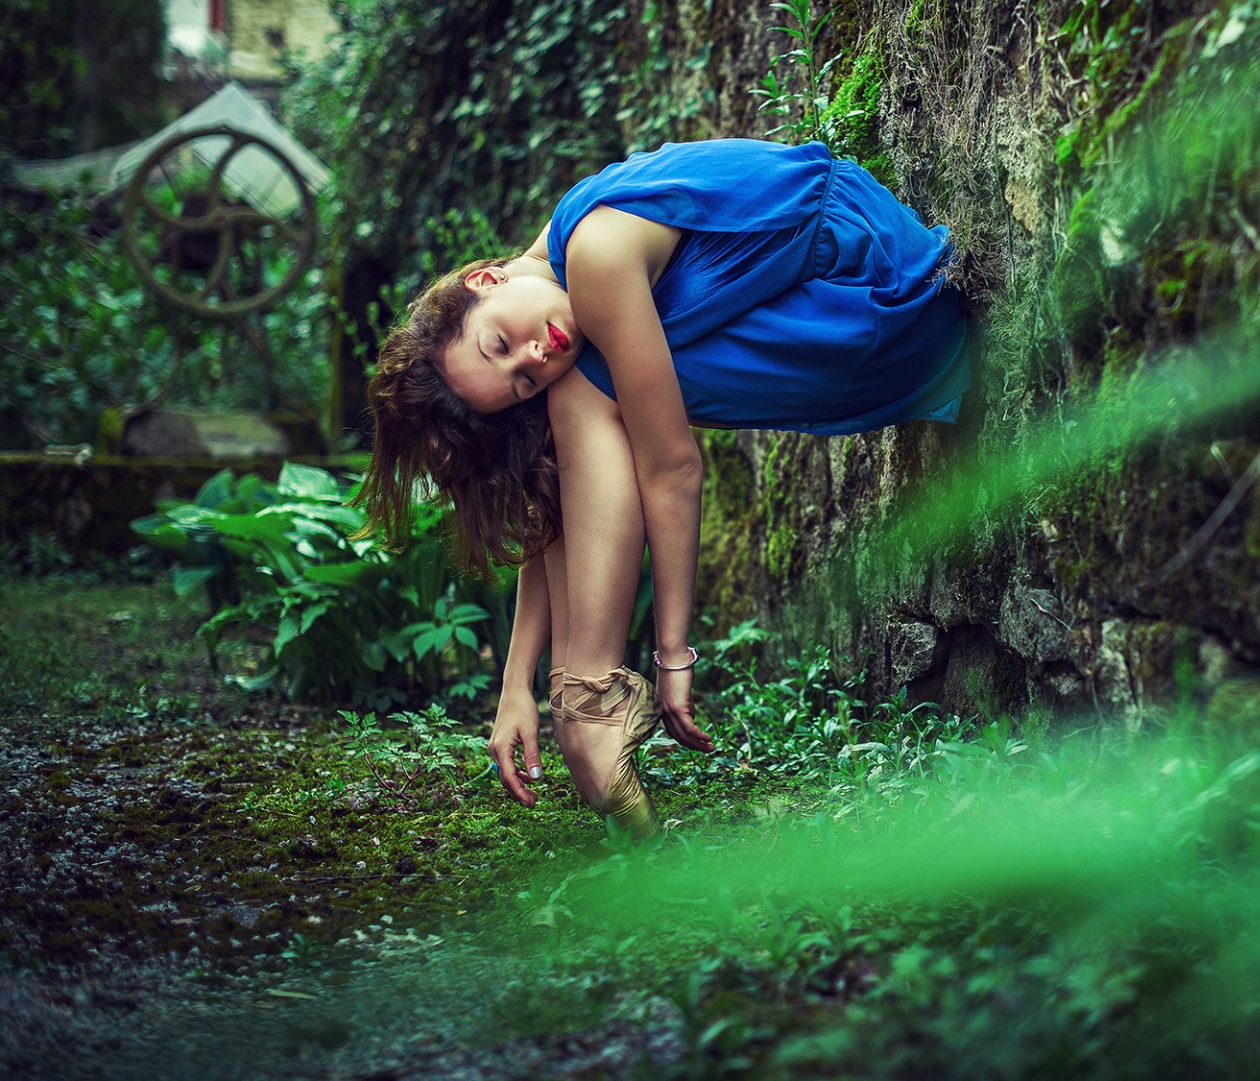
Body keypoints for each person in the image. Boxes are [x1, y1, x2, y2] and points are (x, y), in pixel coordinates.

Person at [355, 138, 971, 835]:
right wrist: (515, 682)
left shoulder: (592, 255)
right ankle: (581, 700)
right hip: (840, 308)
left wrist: (673, 655)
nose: (534, 354)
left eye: (499, 343)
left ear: (484, 279)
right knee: (564, 407)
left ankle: (591, 703)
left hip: (884, 292)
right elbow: (559, 492)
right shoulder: (555, 281)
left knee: (580, 390)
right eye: (519, 379)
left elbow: (673, 467)